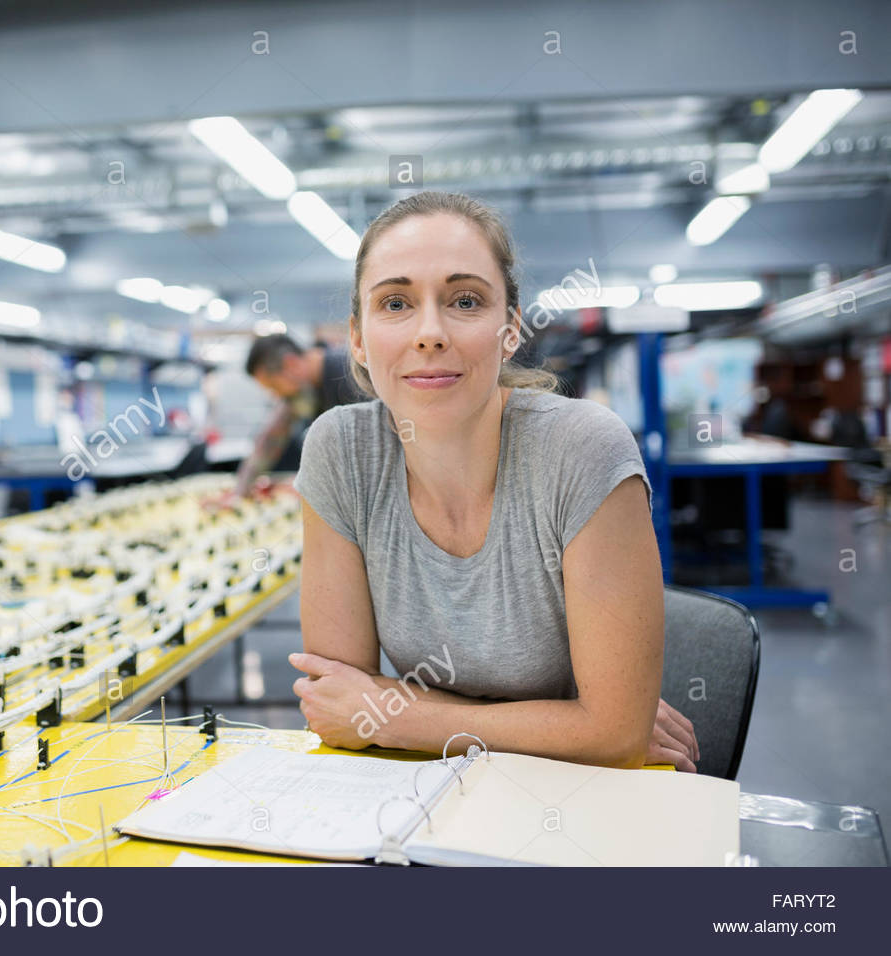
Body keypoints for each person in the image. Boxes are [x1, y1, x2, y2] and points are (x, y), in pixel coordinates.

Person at [289, 191, 700, 772]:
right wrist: (567, 721)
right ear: (357, 337)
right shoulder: (341, 452)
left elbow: (614, 738)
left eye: (464, 300)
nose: (429, 333)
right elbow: (336, 699)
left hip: (588, 796)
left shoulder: (580, 450)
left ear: (510, 330)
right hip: (427, 797)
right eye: (396, 303)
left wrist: (400, 715)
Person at [233, 333, 364, 496]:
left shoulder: (352, 377)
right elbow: (270, 441)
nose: (277, 396)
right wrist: (239, 493)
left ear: (291, 364)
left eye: (274, 386)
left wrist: (312, 484)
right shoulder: (302, 391)